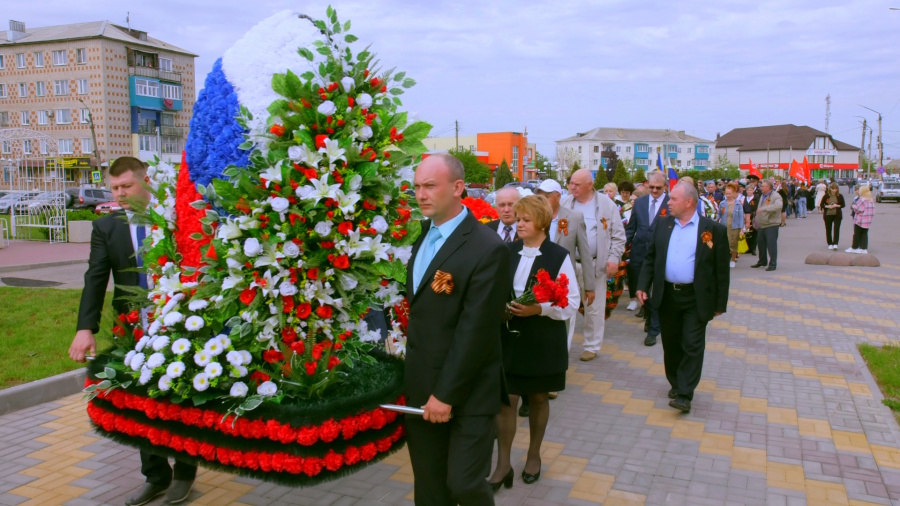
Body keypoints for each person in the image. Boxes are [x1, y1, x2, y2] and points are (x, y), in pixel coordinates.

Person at [68, 157, 198, 506]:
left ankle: (184, 475)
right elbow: (95, 279)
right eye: (114, 188)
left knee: (178, 400)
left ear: (146, 181)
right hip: (133, 331)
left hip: (179, 326)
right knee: (140, 405)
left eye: (127, 186)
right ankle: (156, 477)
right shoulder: (107, 228)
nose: (120, 193)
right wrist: (85, 328)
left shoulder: (173, 218)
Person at [406, 153, 511, 505]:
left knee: (464, 483)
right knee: (430, 487)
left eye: (430, 186)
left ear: (458, 188)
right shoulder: (423, 236)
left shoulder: (488, 248)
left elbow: (476, 331)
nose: (421, 194)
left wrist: (446, 395)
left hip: (468, 392)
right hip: (422, 386)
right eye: (417, 186)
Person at [488, 195, 580, 491]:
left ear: (541, 222)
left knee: (539, 398)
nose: (519, 224)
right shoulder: (507, 250)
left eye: (525, 220)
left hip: (542, 339)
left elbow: (571, 302)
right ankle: (502, 464)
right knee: (507, 402)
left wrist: (539, 308)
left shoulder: (557, 256)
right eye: (518, 218)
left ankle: (533, 455)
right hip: (510, 338)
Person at [636, 182, 730, 414]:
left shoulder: (713, 230)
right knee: (672, 344)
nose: (668, 202)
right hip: (667, 295)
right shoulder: (663, 225)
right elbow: (651, 258)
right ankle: (677, 383)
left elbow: (721, 271)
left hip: (696, 298)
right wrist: (642, 285)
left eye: (673, 199)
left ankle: (685, 393)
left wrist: (720, 303)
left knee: (692, 344)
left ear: (689, 202)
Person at [561, 169, 626, 360]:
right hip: (569, 264)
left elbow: (618, 236)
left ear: (590, 185)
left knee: (594, 308)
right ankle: (562, 345)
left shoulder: (606, 204)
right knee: (565, 305)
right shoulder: (565, 202)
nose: (572, 187)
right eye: (571, 183)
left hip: (596, 264)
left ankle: (591, 346)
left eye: (577, 184)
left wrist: (614, 258)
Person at [535, 179, 594, 350]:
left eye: (546, 196)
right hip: (538, 280)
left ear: (557, 196)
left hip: (564, 283)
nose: (542, 199)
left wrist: (589, 286)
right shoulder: (534, 217)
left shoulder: (574, 218)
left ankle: (562, 358)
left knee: (566, 322)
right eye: (540, 195)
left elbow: (585, 253)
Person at [625, 172, 668, 346]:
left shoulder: (670, 203)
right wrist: (621, 247)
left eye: (659, 188)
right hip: (638, 252)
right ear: (647, 185)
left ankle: (654, 329)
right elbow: (631, 228)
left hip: (660, 255)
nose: (655, 190)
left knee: (654, 291)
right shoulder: (640, 202)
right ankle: (650, 316)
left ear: (665, 186)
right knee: (638, 288)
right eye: (652, 187)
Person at [751, 180, 783, 272]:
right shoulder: (762, 195)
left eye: (763, 186)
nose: (761, 188)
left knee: (771, 244)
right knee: (761, 243)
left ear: (768, 187)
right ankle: (762, 261)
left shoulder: (775, 196)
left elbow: (779, 206)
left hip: (771, 224)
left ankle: (772, 264)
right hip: (762, 224)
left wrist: (765, 209)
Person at [716, 182, 748, 268]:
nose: (728, 195)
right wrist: (716, 220)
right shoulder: (722, 203)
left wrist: (742, 228)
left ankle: (733, 260)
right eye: (726, 193)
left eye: (729, 193)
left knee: (733, 244)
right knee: (724, 244)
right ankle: (725, 259)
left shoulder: (738, 204)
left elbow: (741, 217)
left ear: (734, 193)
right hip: (724, 226)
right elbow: (719, 214)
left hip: (735, 227)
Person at [848, 185, 875, 254]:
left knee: (856, 234)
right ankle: (863, 248)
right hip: (868, 220)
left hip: (860, 219)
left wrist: (853, 206)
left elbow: (859, 209)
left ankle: (854, 247)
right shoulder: (870, 200)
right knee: (864, 234)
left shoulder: (862, 199)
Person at [820, 183, 845, 250]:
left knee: (836, 229)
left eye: (835, 189)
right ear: (830, 189)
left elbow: (843, 205)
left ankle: (835, 243)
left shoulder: (840, 196)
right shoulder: (826, 196)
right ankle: (830, 243)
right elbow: (822, 204)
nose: (834, 190)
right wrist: (827, 206)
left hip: (837, 215)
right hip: (828, 214)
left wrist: (836, 205)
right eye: (833, 189)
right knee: (828, 229)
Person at [742, 175, 762, 256]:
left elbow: (758, 207)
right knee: (746, 232)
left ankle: (753, 248)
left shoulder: (757, 198)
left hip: (753, 217)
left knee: (754, 233)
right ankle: (747, 248)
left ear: (753, 191)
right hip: (745, 217)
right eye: (748, 190)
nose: (749, 192)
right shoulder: (744, 198)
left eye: (750, 190)